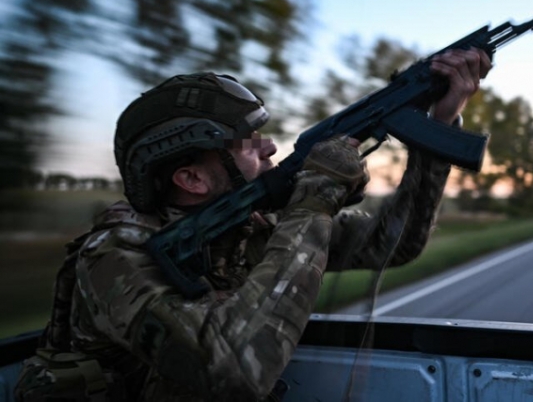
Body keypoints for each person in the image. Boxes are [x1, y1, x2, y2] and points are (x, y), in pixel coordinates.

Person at [15, 48, 491, 401]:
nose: (267, 149)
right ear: (191, 177)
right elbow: (237, 372)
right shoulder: (116, 256)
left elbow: (394, 243)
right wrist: (314, 202)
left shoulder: (256, 219)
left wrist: (440, 125)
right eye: (247, 142)